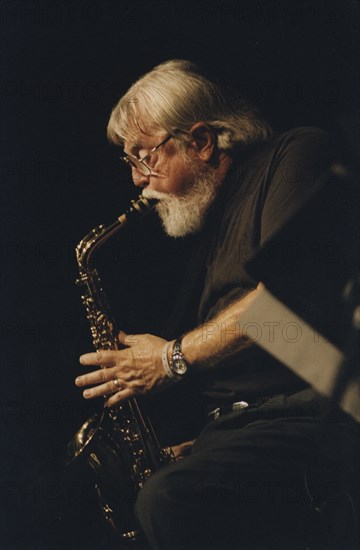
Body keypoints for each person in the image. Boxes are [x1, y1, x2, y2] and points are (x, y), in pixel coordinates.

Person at [74, 60, 358, 549]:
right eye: (130, 163)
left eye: (144, 156)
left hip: (319, 412)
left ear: (201, 141)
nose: (138, 180)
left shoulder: (294, 154)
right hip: (252, 423)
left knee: (168, 499)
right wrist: (203, 442)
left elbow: (288, 305)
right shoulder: (210, 230)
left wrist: (169, 357)